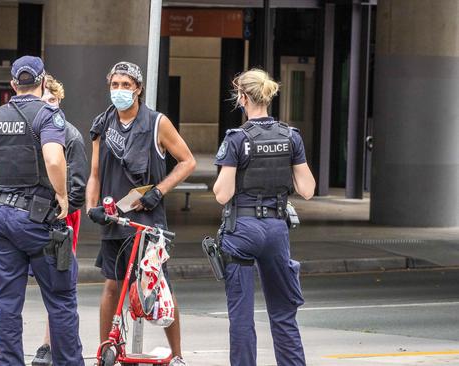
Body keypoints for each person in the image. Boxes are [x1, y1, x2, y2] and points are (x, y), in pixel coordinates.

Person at [0, 55, 83, 366]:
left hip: (0, 217)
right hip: (37, 219)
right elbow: (55, 160)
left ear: (13, 85)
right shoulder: (48, 116)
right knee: (60, 300)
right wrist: (62, 195)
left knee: (6, 302)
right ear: (43, 81)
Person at [86, 61, 196, 366]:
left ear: (138, 88)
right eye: (115, 85)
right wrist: (91, 206)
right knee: (112, 286)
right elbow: (94, 173)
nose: (120, 90)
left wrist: (159, 191)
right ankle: (106, 351)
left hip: (146, 222)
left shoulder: (157, 123)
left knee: (159, 287)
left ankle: (177, 356)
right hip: (113, 219)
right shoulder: (101, 124)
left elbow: (187, 162)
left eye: (126, 85)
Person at [213, 68, 316, 366]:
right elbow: (307, 189)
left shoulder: (237, 139)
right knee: (284, 313)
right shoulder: (290, 136)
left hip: (243, 229)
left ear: (243, 98)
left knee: (242, 318)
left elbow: (222, 193)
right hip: (276, 228)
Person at [31, 74, 88, 366]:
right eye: (44, 101)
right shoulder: (31, 132)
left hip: (63, 216)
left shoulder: (70, 134)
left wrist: (61, 210)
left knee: (60, 283)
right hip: (32, 215)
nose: (49, 106)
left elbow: (77, 186)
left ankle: (49, 344)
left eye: (53, 101)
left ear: (60, 101)